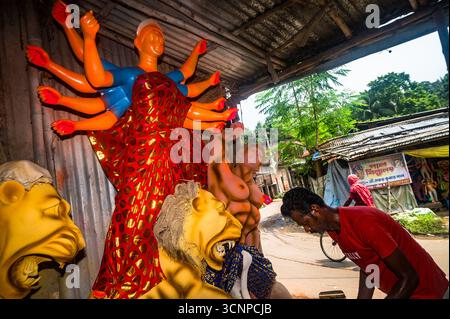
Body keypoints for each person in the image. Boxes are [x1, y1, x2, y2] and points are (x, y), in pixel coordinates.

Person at [281, 187, 449, 299]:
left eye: (305, 223)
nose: (307, 229)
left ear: (314, 210)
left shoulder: (364, 223)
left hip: (431, 292)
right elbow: (370, 267)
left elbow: (410, 277)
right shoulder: (333, 230)